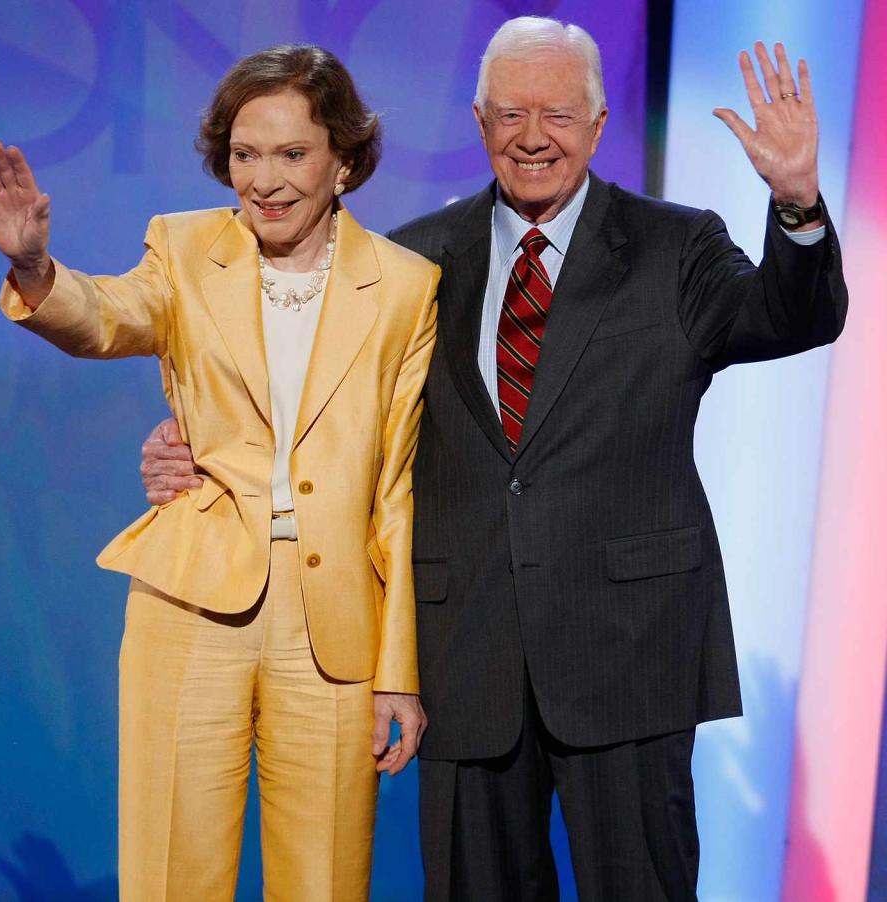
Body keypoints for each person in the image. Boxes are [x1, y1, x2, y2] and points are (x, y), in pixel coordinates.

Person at [140, 17, 847, 902]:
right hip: (466, 657)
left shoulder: (677, 245)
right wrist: (195, 452)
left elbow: (791, 317)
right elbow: (321, 420)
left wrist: (797, 204)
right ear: (479, 124)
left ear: (595, 123)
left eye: (556, 113)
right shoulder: (410, 263)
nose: (532, 135)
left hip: (629, 653)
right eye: (510, 113)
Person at [0, 44, 439, 902]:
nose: (266, 179)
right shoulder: (183, 249)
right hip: (190, 604)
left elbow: (395, 492)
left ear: (344, 159)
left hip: (333, 628)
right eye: (246, 155)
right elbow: (105, 316)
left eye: (292, 153)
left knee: (325, 881)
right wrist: (36, 268)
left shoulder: (406, 287)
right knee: (171, 874)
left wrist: (397, 667)